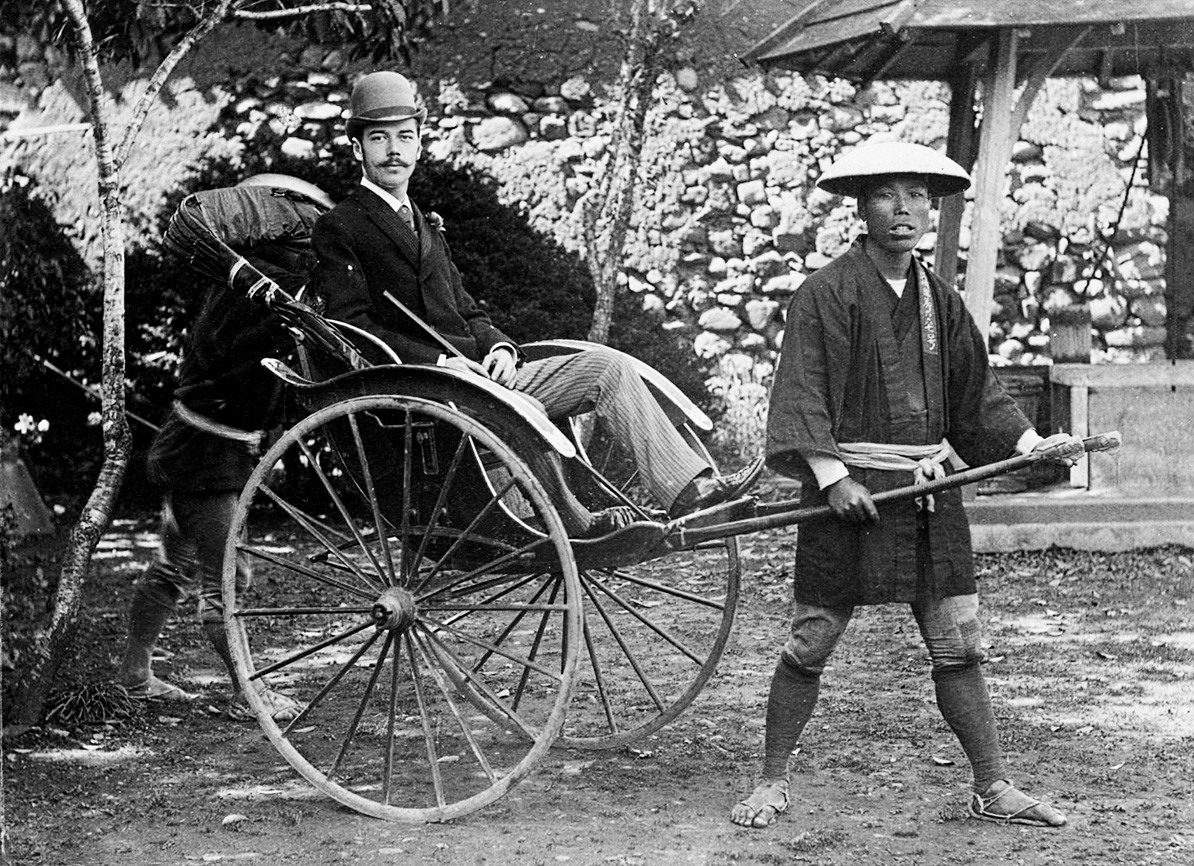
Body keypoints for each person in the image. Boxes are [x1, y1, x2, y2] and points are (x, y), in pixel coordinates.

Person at [730, 141, 1081, 830]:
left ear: (932, 207)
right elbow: (801, 392)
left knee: (958, 642)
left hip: (925, 493)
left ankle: (992, 786)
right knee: (812, 638)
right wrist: (830, 477)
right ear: (860, 208)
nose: (904, 209)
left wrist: (1033, 443)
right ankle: (771, 780)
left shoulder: (938, 300)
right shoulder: (825, 294)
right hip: (851, 495)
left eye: (917, 196)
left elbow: (977, 395)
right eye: (888, 195)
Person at [309, 71, 762, 537]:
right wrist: (440, 362)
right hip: (425, 388)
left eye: (405, 136)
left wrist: (500, 348)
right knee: (520, 408)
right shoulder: (342, 226)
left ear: (421, 144)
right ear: (357, 148)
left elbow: (467, 309)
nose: (393, 150)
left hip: (482, 378)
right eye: (378, 138)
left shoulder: (424, 223)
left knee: (607, 367)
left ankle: (691, 490)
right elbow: (351, 326)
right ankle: (575, 521)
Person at [115, 177, 330, 720]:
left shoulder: (249, 292)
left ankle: (134, 676)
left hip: (205, 449)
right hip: (205, 456)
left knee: (174, 565)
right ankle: (247, 693)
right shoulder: (256, 298)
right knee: (227, 579)